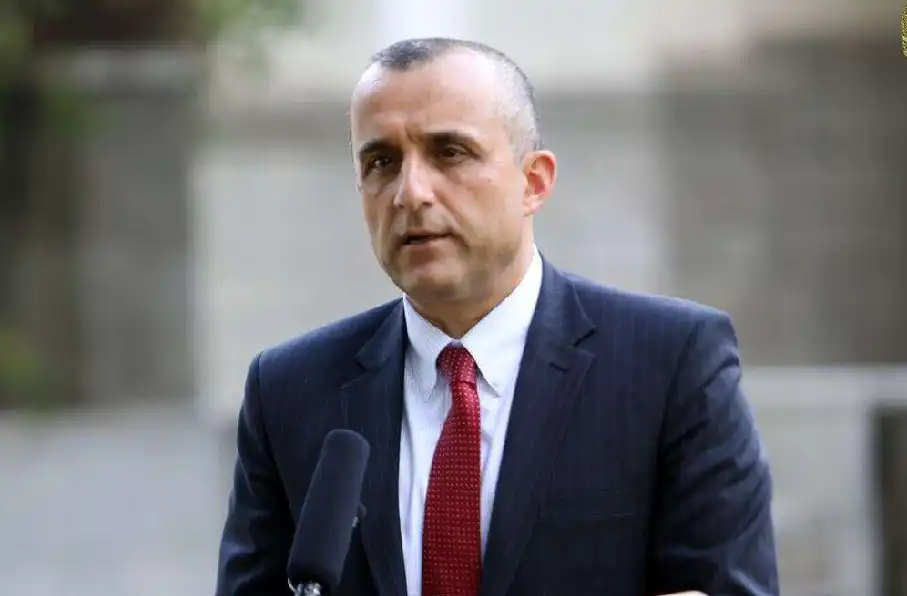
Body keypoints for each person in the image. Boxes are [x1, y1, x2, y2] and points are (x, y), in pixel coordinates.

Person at [215, 37, 779, 596]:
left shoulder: (669, 363)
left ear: (534, 181)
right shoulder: (289, 390)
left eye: (449, 152)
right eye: (381, 162)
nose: (411, 193)